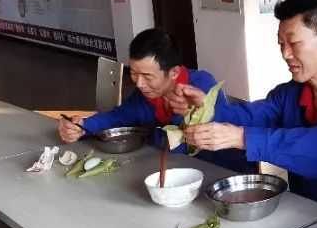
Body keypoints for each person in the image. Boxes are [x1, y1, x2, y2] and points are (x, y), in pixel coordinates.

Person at [175, 0, 317, 228]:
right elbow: (250, 116)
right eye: (281, 44)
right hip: (309, 221)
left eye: (294, 43)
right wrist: (206, 109)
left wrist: (242, 138)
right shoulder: (289, 93)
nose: (285, 54)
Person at [58, 28, 245, 171]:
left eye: (148, 76)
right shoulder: (146, 94)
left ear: (174, 72)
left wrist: (148, 133)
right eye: (134, 73)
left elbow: (179, 145)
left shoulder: (201, 86)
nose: (139, 84)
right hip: (169, 168)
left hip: (220, 171)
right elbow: (117, 117)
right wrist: (82, 126)